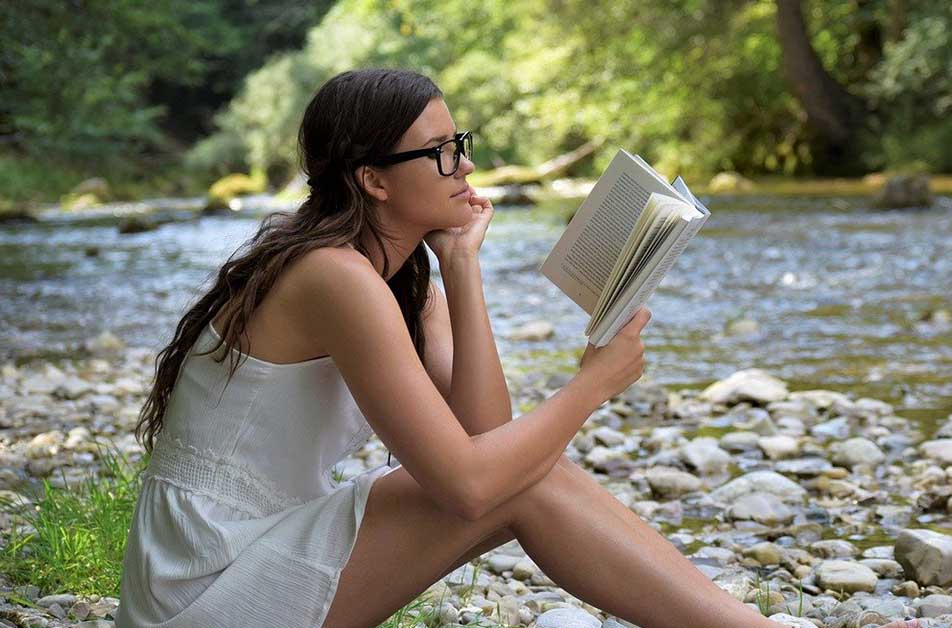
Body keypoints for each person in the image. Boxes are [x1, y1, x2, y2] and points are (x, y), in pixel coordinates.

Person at [115, 68, 790, 628]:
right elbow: (471, 487)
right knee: (527, 479)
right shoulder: (332, 277)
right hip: (201, 584)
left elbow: (491, 442)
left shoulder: (399, 283)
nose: (464, 165)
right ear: (374, 180)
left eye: (459, 141)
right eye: (439, 151)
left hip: (262, 550)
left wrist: (462, 267)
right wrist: (591, 386)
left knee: (534, 476)